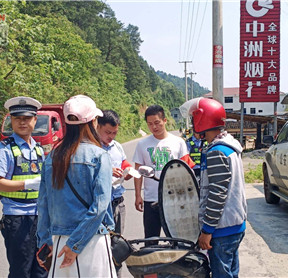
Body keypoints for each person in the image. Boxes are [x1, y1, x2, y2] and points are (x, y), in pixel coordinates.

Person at [36, 95, 116, 277]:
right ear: (93, 122)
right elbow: (99, 208)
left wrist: (44, 241)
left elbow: (43, 204)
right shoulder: (99, 156)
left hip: (59, 242)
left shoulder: (51, 158)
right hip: (91, 240)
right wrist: (75, 245)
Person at [181, 97, 247, 278]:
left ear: (202, 119)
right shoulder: (229, 146)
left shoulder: (216, 152)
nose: (193, 122)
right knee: (231, 273)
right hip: (234, 224)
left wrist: (207, 231)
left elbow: (217, 194)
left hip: (221, 229)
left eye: (195, 118)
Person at [0, 96, 48, 278]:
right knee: (20, 271)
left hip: (40, 217)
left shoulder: (38, 149)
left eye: (27, 118)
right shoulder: (4, 149)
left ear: (35, 120)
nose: (22, 122)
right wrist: (27, 184)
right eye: (17, 118)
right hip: (17, 218)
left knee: (42, 269)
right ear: (11, 121)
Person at [133, 105, 195, 243]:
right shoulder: (142, 144)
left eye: (157, 122)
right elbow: (138, 172)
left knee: (177, 240)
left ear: (165, 120)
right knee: (150, 239)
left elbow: (186, 170)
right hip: (151, 199)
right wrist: (138, 195)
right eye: (150, 124)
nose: (154, 127)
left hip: (174, 199)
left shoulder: (178, 142)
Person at [97, 109, 132, 276]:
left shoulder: (116, 146)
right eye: (107, 132)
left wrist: (129, 170)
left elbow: (124, 162)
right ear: (97, 127)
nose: (111, 136)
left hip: (118, 202)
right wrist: (107, 170)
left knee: (117, 246)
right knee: (98, 246)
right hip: (99, 206)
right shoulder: (91, 147)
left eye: (114, 133)